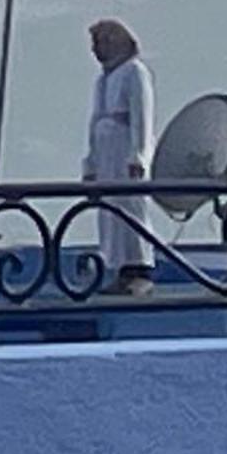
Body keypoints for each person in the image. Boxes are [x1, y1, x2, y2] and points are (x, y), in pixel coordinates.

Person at [84, 19, 156, 296]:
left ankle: (139, 268)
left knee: (131, 207)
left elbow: (142, 118)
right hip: (106, 154)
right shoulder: (103, 80)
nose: (95, 50)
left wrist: (139, 154)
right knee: (110, 211)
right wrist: (90, 162)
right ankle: (119, 267)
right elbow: (94, 121)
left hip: (125, 150)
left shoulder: (134, 73)